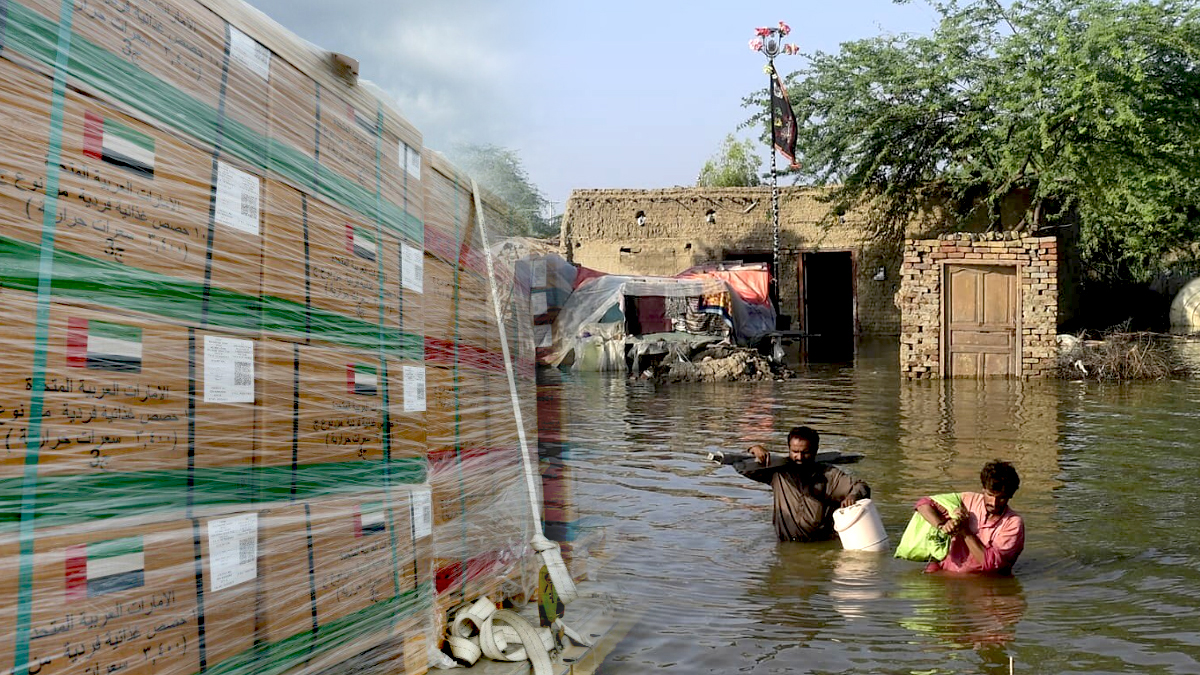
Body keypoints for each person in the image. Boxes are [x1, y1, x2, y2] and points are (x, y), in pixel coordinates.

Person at [739, 426, 871, 542]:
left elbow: (861, 487)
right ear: (789, 449)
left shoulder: (828, 475)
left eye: (805, 453)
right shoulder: (778, 473)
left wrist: (852, 496)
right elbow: (744, 468)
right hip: (785, 543)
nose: (799, 458)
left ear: (815, 451)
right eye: (795, 452)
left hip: (819, 544)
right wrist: (753, 449)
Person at [913, 460, 1025, 574]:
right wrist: (943, 525)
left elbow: (991, 564)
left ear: (1010, 496)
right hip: (944, 572)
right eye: (990, 495)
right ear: (983, 489)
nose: (994, 503)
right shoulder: (967, 500)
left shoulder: (1013, 523)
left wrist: (964, 530)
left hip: (983, 583)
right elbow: (924, 503)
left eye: (1001, 498)